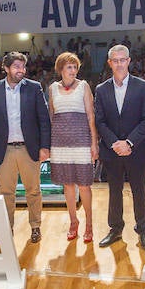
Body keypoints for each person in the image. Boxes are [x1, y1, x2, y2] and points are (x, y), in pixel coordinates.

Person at [0, 51, 51, 243]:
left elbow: (43, 121)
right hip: (4, 150)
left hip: (29, 149)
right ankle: (6, 230)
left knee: (34, 191)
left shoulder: (34, 88)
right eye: (16, 67)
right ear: (6, 68)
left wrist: (45, 146)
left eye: (23, 66)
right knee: (6, 194)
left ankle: (35, 226)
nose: (21, 70)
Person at [94, 45, 145, 248]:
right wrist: (115, 143)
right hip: (112, 151)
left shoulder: (143, 86)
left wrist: (128, 142)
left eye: (122, 60)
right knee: (114, 191)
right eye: (115, 60)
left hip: (136, 149)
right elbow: (100, 121)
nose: (119, 64)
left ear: (129, 61)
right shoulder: (101, 89)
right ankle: (116, 229)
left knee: (139, 190)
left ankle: (142, 229)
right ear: (109, 63)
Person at [48, 52, 98, 243]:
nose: (73, 70)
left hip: (81, 141)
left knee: (84, 185)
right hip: (60, 143)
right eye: (69, 67)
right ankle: (73, 222)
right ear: (60, 69)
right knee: (67, 185)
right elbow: (51, 117)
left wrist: (94, 142)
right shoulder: (52, 88)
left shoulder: (84, 86)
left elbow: (91, 116)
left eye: (75, 67)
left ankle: (90, 224)